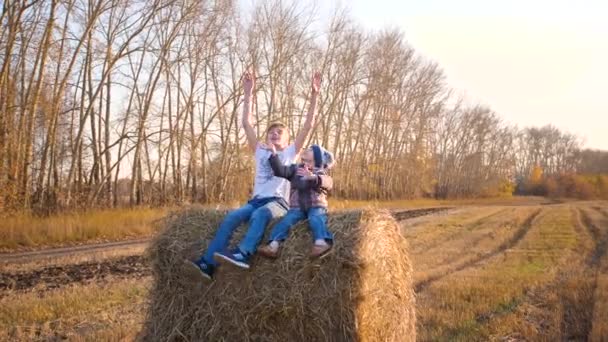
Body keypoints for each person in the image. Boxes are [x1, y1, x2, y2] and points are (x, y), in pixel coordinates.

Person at [186, 70, 322, 280]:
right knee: (231, 218)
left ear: (288, 141)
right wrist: (248, 94)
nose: (274, 133)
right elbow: (246, 124)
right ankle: (208, 263)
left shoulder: (290, 152)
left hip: (278, 202)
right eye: (271, 131)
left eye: (279, 132)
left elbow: (308, 125)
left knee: (261, 215)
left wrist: (314, 96)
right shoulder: (259, 150)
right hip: (256, 200)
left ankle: (244, 253)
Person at [255, 144, 335, 260]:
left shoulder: (321, 173)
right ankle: (273, 245)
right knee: (285, 222)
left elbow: (328, 183)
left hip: (316, 205)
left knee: (316, 218)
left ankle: (321, 242)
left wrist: (313, 177)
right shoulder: (295, 170)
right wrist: (273, 154)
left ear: (317, 158)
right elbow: (280, 171)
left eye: (311, 149)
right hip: (296, 207)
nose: (307, 150)